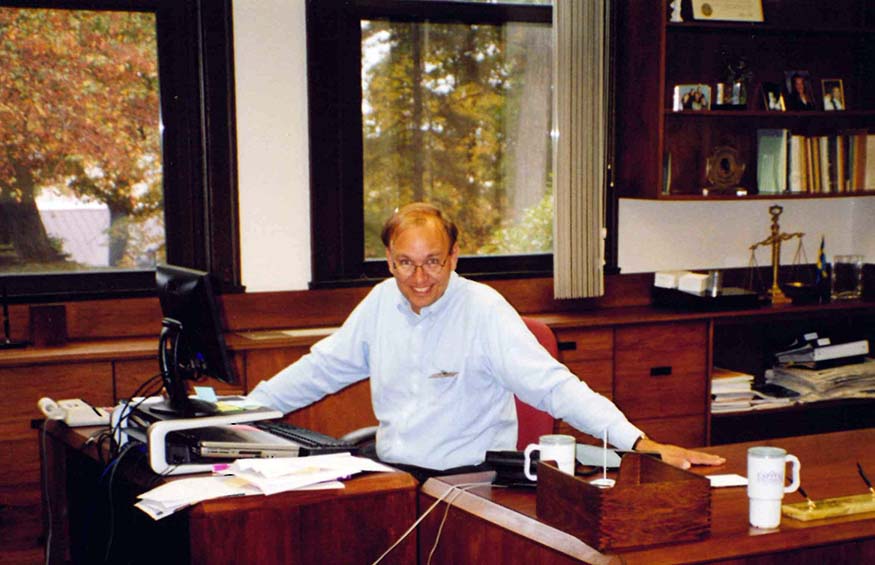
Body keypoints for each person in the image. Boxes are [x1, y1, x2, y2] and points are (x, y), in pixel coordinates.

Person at [247, 203, 725, 477]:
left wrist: (638, 443)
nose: (419, 277)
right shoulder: (378, 304)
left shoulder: (483, 310)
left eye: (433, 261)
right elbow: (319, 368)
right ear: (389, 261)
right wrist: (246, 412)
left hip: (468, 480)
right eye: (406, 263)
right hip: (394, 473)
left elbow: (555, 387)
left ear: (455, 257)